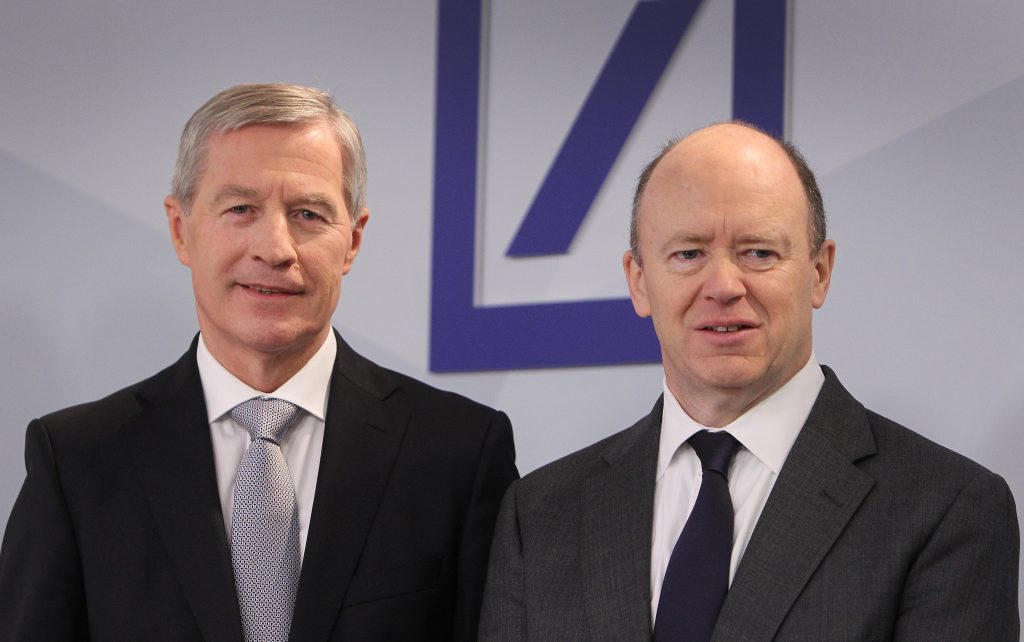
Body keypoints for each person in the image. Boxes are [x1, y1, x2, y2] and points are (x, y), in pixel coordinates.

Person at [0, 83, 518, 641]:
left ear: (353, 240)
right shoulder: (77, 461)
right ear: (181, 229)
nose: (275, 248)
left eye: (308, 214)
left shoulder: (458, 450)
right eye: (241, 209)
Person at [479, 122, 1018, 640]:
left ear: (819, 272)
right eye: (688, 254)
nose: (723, 285)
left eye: (758, 252)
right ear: (639, 283)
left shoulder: (947, 508)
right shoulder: (542, 514)